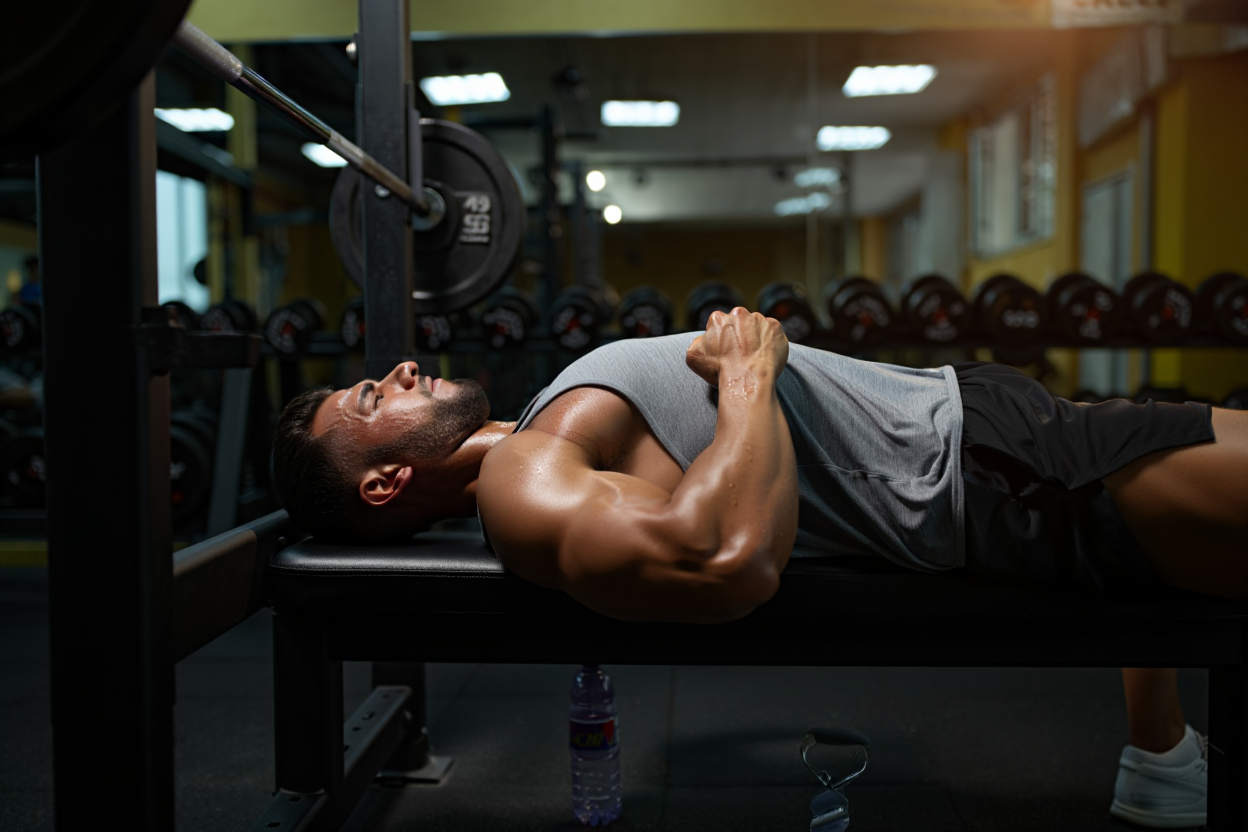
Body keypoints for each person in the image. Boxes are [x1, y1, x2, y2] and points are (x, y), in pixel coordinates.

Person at [274, 307, 1245, 828]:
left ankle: (1160, 755)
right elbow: (726, 561)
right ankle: (1160, 761)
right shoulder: (525, 476)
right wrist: (748, 373)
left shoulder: (536, 429)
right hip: (1012, 477)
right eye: (372, 394)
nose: (399, 369)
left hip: (998, 428)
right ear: (385, 481)